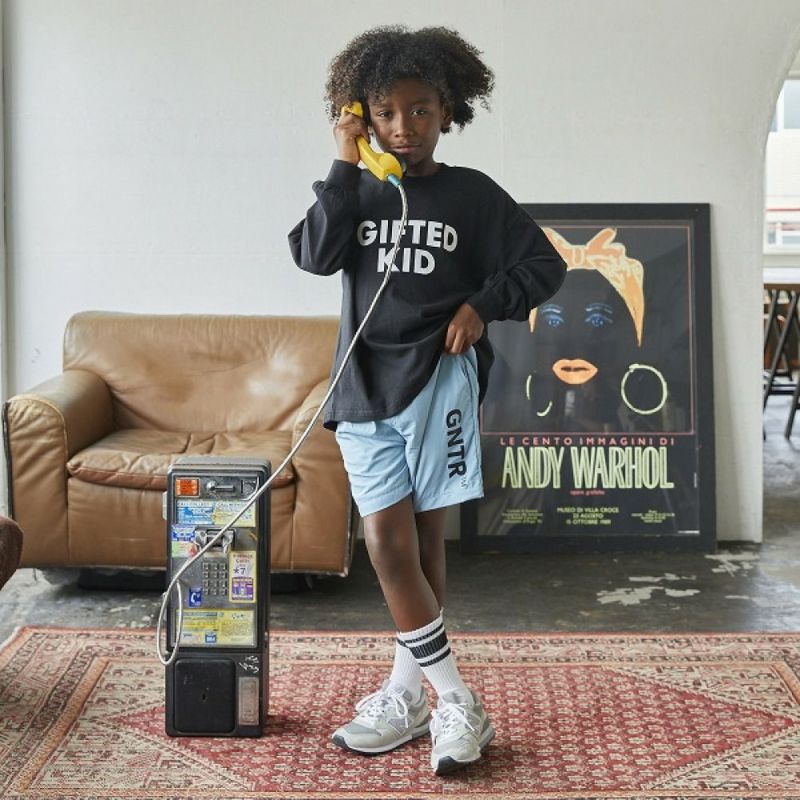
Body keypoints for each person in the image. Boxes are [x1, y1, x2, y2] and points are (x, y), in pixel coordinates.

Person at [288, 24, 566, 776]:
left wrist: (481, 305)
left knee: (421, 540)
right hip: (363, 385)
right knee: (385, 542)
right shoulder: (356, 190)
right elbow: (314, 255)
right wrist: (345, 163)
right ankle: (454, 699)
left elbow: (544, 265)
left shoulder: (471, 195)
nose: (403, 127)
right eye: (384, 113)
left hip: (441, 381)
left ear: (448, 110)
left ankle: (409, 696)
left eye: (419, 110)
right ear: (362, 117)